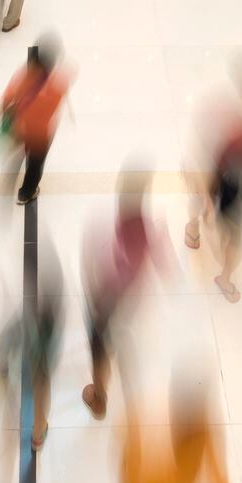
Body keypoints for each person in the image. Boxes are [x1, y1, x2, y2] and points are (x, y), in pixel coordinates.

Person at [81, 174, 175, 417]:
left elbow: (91, 267)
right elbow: (165, 265)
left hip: (106, 305)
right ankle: (131, 402)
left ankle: (99, 398)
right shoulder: (147, 227)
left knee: (99, 350)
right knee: (123, 350)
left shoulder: (107, 230)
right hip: (132, 306)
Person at [185, 82, 242, 300]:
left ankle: (193, 229)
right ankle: (224, 278)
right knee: (237, 238)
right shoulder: (239, 135)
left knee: (201, 201)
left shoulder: (236, 126)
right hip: (226, 186)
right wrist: (209, 200)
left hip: (223, 181)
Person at [0, 37, 72, 204]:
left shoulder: (23, 77)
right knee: (35, 164)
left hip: (20, 129)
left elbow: (7, 98)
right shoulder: (55, 85)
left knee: (18, 154)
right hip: (40, 135)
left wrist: (4, 118)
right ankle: (27, 192)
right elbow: (53, 109)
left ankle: (10, 178)